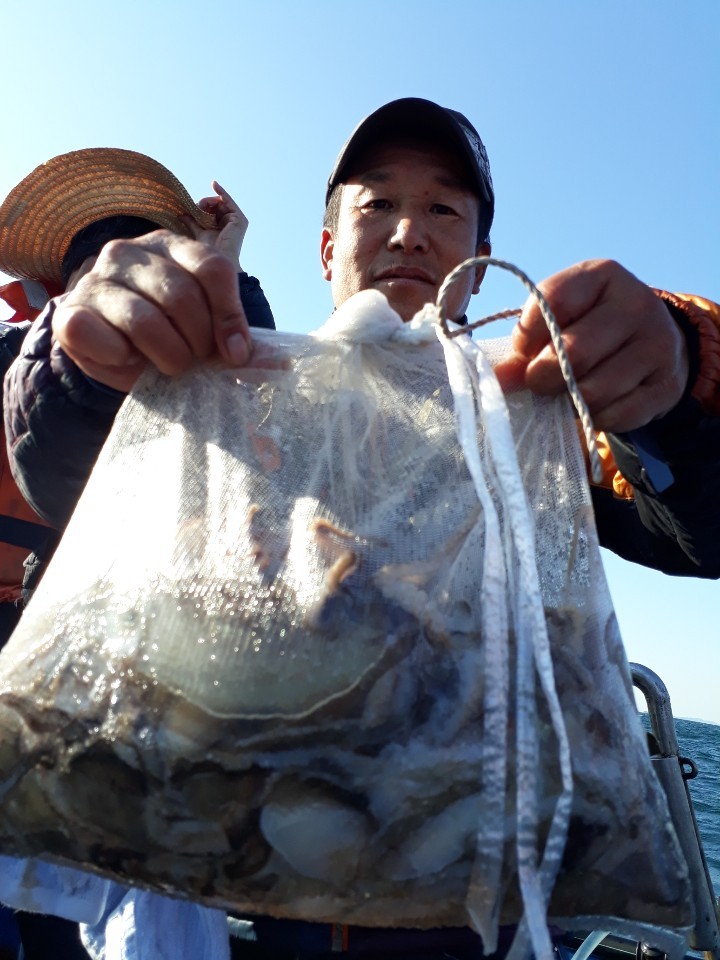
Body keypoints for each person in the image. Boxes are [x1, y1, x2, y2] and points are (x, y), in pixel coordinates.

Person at [2, 99, 720, 960]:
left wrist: (682, 377)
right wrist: (80, 361)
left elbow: (701, 533)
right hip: (278, 879)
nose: (409, 231)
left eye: (443, 208)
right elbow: (61, 470)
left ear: (480, 261)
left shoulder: (537, 417)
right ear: (326, 248)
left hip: (481, 899)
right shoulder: (236, 388)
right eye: (376, 204)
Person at [0, 147, 275, 960]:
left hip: (130, 690)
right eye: (94, 251)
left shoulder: (218, 337)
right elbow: (57, 432)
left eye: (140, 239)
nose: (122, 261)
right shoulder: (28, 356)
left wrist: (225, 269)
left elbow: (254, 396)